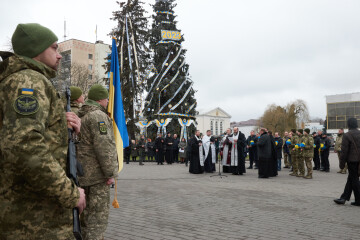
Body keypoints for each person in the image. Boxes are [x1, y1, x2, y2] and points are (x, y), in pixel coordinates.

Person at [0, 23, 86, 239]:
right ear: (36, 50)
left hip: (31, 214)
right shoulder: (28, 81)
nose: (59, 56)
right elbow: (25, 146)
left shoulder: (28, 80)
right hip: (33, 219)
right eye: (54, 49)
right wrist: (70, 193)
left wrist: (59, 124)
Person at [76, 84, 118, 239]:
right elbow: (104, 147)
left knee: (85, 218)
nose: (107, 102)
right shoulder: (98, 117)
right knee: (97, 220)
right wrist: (110, 173)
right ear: (101, 99)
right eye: (106, 99)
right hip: (97, 176)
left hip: (82, 174)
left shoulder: (82, 115)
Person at [334, 118, 360, 206]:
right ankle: (344, 197)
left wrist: (341, 164)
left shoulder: (347, 135)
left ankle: (357, 199)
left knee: (354, 179)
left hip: (352, 160)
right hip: (358, 160)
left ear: (348, 125)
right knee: (352, 178)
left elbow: (344, 151)